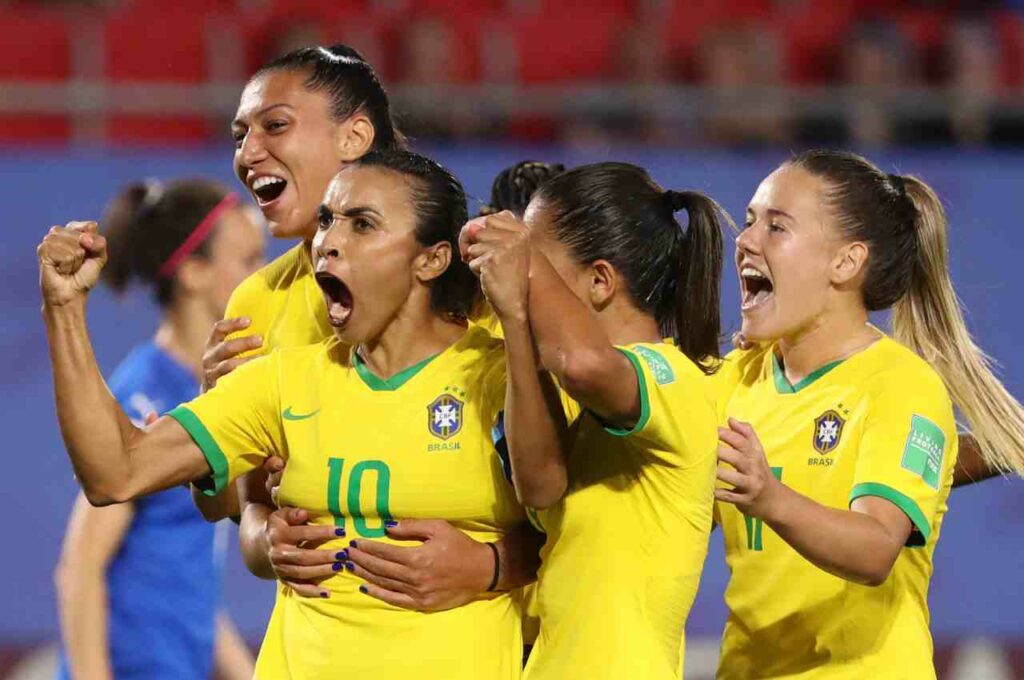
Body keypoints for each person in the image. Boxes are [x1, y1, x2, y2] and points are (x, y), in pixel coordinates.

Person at [38, 150, 565, 680]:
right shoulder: (281, 380)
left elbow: (571, 521)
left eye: (362, 224)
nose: (327, 242)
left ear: (431, 259)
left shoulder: (499, 377)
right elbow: (116, 471)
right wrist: (64, 311)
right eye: (328, 221)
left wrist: (493, 565)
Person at [713, 149, 1024, 678]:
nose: (745, 240)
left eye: (777, 227)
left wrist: (769, 497)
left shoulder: (900, 386)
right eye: (749, 223)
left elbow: (875, 549)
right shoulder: (736, 379)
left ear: (845, 262)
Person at [460, 162, 728, 680]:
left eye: (537, 262)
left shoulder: (674, 378)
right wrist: (515, 319)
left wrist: (525, 263)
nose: (522, 272)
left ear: (600, 281)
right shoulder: (573, 401)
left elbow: (583, 363)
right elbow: (539, 486)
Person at [52, 179, 263, 680]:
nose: (264, 276)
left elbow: (193, 590)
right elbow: (79, 569)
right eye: (249, 260)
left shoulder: (209, 396)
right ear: (193, 272)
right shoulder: (141, 395)